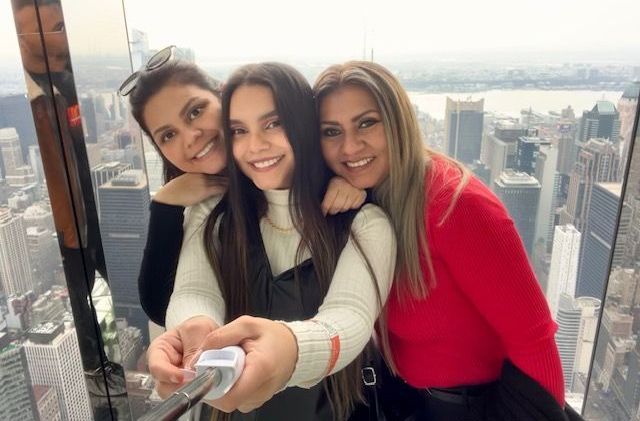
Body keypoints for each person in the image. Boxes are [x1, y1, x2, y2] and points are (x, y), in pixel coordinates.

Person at [199, 61, 566, 420]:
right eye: (331, 131)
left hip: (475, 405)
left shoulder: (458, 206)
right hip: (401, 398)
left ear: (397, 121)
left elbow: (534, 338)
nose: (350, 147)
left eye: (367, 123)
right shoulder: (364, 196)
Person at [141, 62, 396, 420]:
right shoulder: (214, 213)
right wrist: (194, 331)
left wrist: (291, 350)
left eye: (273, 123)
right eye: (239, 130)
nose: (255, 145)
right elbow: (195, 289)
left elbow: (350, 316)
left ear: (304, 124)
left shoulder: (364, 222)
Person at [124, 52, 368, 327]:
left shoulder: (291, 162)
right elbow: (162, 305)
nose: (191, 137)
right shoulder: (202, 206)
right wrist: (164, 205)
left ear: (224, 98)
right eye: (168, 135)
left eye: (195, 112)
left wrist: (342, 177)